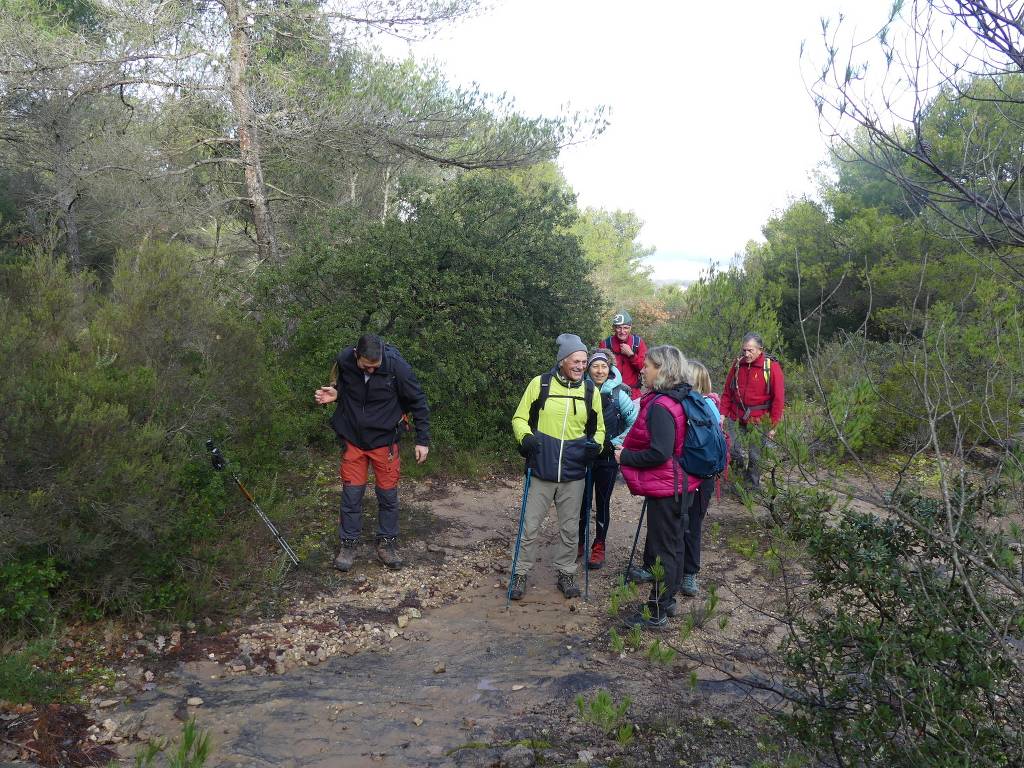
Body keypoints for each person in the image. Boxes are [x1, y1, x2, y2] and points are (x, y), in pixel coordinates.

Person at [314, 333, 430, 571]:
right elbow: (347, 388)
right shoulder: (345, 359)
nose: (372, 371)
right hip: (354, 440)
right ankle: (348, 544)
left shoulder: (397, 367)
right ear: (356, 356)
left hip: (384, 441)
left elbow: (418, 401)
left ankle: (387, 544)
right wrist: (337, 395)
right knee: (351, 495)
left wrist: (422, 440)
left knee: (388, 497)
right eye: (367, 367)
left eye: (376, 367)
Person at [510, 334, 604, 601]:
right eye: (576, 361)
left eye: (584, 362)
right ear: (563, 360)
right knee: (530, 526)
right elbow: (519, 417)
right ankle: (519, 573)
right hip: (541, 468)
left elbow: (599, 430)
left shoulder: (590, 391)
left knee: (569, 528)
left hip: (574, 472)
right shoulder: (540, 385)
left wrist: (595, 446)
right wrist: (525, 438)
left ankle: (566, 572)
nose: (581, 366)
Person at [616, 345, 703, 629]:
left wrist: (624, 456)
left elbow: (659, 453)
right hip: (682, 485)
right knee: (675, 545)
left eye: (649, 366)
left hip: (669, 488)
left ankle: (657, 612)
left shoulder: (662, 406)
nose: (643, 369)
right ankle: (667, 601)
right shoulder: (680, 398)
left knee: (666, 549)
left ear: (662, 370)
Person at [578, 349, 639, 570]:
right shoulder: (579, 389)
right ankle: (578, 541)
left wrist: (618, 442)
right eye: (595, 366)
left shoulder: (618, 394)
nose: (599, 370)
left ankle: (599, 545)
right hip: (583, 456)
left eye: (603, 366)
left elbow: (634, 420)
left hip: (607, 457)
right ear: (588, 368)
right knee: (580, 501)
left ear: (610, 368)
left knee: (602, 502)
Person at [720, 332, 785, 490]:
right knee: (733, 450)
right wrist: (722, 414)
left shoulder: (771, 367)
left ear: (760, 349)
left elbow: (778, 398)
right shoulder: (737, 364)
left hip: (759, 419)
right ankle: (738, 481)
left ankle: (751, 486)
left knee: (755, 456)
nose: (747, 354)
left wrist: (773, 425)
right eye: (744, 350)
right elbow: (728, 391)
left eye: (751, 350)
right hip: (736, 416)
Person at [599, 310, 647, 400]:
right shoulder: (605, 344)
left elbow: (644, 368)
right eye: (619, 328)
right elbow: (599, 369)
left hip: (633, 394)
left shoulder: (637, 343)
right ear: (613, 328)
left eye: (626, 328)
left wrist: (631, 355)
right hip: (611, 393)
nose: (622, 331)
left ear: (630, 328)